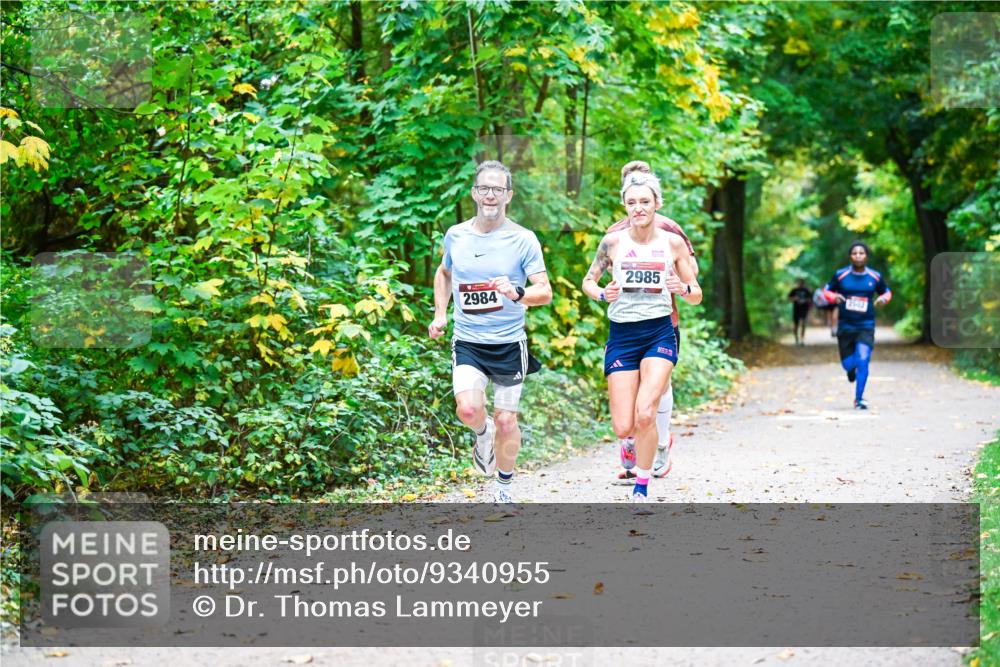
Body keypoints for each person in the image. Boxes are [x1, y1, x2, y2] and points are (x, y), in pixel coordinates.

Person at [429, 160, 552, 503]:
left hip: (509, 343)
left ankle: (504, 486)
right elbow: (443, 273)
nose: (490, 195)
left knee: (507, 421)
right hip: (468, 340)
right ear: (474, 193)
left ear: (508, 196)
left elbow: (545, 290)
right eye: (484, 188)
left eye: (498, 189)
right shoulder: (456, 235)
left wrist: (518, 292)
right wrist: (441, 314)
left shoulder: (523, 239)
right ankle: (482, 436)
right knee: (469, 410)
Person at [582, 169, 702, 510]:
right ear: (624, 205)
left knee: (646, 411)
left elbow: (696, 294)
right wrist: (603, 294)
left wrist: (684, 288)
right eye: (631, 202)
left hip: (659, 331)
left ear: (656, 204)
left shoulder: (673, 242)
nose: (638, 208)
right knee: (624, 426)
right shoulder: (612, 242)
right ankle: (630, 444)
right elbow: (588, 281)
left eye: (644, 202)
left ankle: (643, 485)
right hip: (622, 334)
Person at [606, 161, 699, 481]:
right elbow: (604, 274)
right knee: (629, 393)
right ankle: (632, 442)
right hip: (625, 322)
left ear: (654, 195)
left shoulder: (671, 230)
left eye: (643, 190)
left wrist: (674, 279)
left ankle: (660, 443)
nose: (637, 203)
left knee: (659, 387)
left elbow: (692, 271)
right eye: (630, 191)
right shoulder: (614, 233)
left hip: (663, 317)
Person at [822, 241, 891, 410]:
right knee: (848, 365)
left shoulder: (874, 276)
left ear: (866, 256)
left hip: (865, 325)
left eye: (862, 253)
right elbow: (826, 290)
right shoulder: (841, 275)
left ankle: (859, 398)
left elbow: (886, 291)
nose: (858, 256)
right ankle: (851, 371)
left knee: (863, 359)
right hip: (845, 325)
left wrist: (883, 298)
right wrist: (834, 297)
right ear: (850, 256)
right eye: (855, 253)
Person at [788, 279, 812, 345]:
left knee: (803, 324)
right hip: (796, 310)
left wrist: (806, 301)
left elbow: (810, 300)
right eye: (798, 283)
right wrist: (794, 299)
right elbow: (789, 298)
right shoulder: (794, 290)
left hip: (804, 309)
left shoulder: (806, 291)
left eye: (801, 283)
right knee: (796, 325)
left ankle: (802, 339)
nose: (799, 284)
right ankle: (796, 339)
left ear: (803, 283)